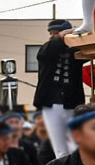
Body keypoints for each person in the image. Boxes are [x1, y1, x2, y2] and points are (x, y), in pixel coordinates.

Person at [34, 20, 87, 157]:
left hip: (72, 103)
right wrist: (62, 37)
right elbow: (47, 51)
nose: (52, 36)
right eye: (50, 33)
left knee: (76, 145)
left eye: (56, 33)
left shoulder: (76, 50)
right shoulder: (46, 49)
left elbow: (88, 52)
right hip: (51, 103)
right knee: (60, 148)